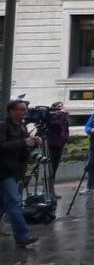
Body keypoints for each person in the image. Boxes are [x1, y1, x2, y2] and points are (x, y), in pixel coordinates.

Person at [0, 99, 40, 247]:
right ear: (11, 111)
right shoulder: (3, 127)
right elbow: (2, 145)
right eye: (21, 109)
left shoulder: (22, 127)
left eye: (25, 109)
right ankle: (23, 236)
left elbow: (23, 149)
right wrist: (24, 142)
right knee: (14, 203)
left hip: (18, 170)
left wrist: (33, 143)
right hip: (4, 171)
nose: (24, 112)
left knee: (4, 204)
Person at [46, 101, 69, 199]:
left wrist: (66, 138)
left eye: (62, 106)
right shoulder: (53, 117)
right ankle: (49, 192)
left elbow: (64, 128)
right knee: (51, 169)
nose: (62, 108)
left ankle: (51, 191)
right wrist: (62, 114)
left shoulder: (62, 117)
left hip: (59, 145)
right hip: (52, 144)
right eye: (59, 107)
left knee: (54, 169)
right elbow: (56, 125)